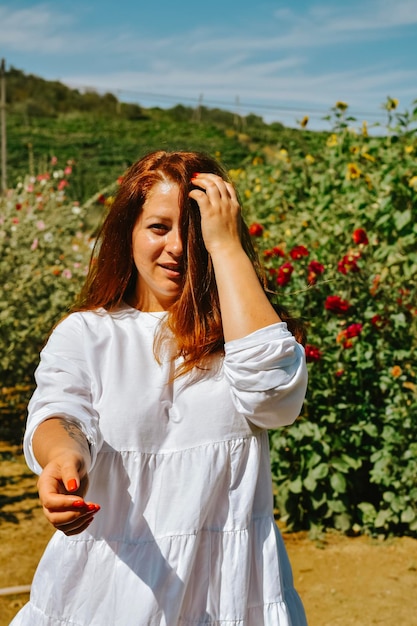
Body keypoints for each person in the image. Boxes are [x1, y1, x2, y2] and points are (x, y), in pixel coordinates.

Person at [11, 150, 308, 626]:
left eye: (195, 231)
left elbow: (274, 399)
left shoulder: (243, 335)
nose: (177, 248)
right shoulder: (88, 333)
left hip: (228, 592)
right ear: (127, 232)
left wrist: (228, 249)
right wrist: (63, 458)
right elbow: (60, 412)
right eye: (158, 227)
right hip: (111, 592)